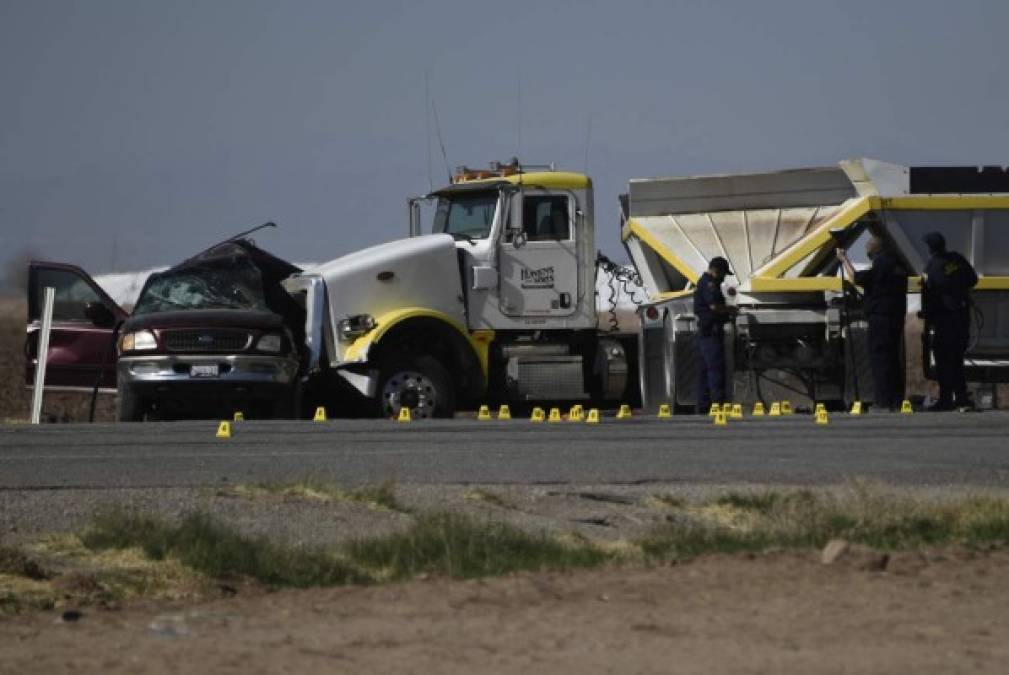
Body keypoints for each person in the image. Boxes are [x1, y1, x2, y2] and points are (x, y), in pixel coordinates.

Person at [836, 235, 909, 411]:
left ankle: (883, 401)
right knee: (893, 359)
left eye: (868, 249)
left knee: (880, 360)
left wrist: (844, 259)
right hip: (896, 317)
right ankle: (896, 400)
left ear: (874, 250)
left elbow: (857, 278)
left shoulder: (882, 263)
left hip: (881, 318)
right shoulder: (899, 265)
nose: (867, 252)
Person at [920, 231, 978, 411]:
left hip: (945, 320)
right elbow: (973, 279)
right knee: (957, 359)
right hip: (962, 316)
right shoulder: (958, 259)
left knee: (944, 360)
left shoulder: (931, 268)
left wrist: (926, 316)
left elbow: (929, 295)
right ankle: (961, 397)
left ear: (930, 248)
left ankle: (946, 399)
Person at [694, 256, 737, 413]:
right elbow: (713, 306)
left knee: (704, 371)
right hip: (711, 333)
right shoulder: (709, 284)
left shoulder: (705, 283)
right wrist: (731, 310)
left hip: (705, 332)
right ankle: (718, 404)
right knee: (715, 369)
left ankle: (703, 407)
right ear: (715, 270)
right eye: (723, 274)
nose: (723, 277)